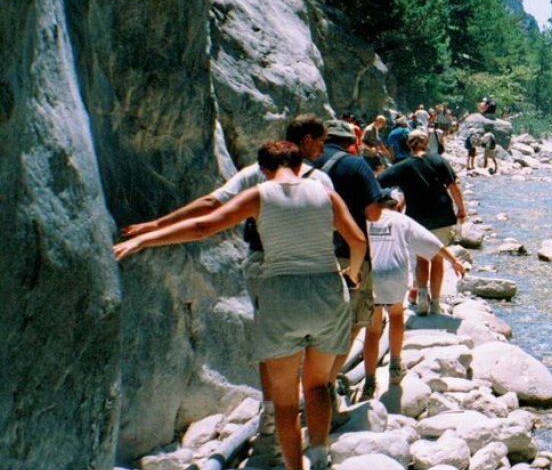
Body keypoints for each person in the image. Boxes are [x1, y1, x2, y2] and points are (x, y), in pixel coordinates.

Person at [115, 141, 366, 470]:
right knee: (318, 383)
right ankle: (320, 454)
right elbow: (357, 240)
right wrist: (354, 274)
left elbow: (204, 225)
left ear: (263, 168)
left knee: (286, 398)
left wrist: (146, 237)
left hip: (281, 292)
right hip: (328, 288)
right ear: (300, 163)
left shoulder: (260, 194)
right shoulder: (327, 195)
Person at [360, 190, 467, 400]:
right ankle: (395, 366)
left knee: (372, 330)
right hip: (394, 272)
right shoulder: (402, 220)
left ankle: (370, 380)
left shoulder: (366, 217)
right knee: (396, 316)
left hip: (371, 272)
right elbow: (431, 243)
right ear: (397, 206)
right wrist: (453, 260)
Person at [315, 120, 384, 422]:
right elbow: (374, 213)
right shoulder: (356, 166)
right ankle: (326, 386)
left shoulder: (301, 165)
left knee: (313, 327)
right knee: (352, 321)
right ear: (349, 142)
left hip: (307, 255)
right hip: (350, 255)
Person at [378, 129, 467, 316]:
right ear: (426, 143)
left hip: (417, 217)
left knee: (421, 259)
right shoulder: (439, 160)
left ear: (408, 145)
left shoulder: (402, 166)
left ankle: (421, 300)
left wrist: (391, 206)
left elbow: (379, 181)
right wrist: (461, 209)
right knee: (437, 259)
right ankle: (435, 304)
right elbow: (453, 186)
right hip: (442, 214)